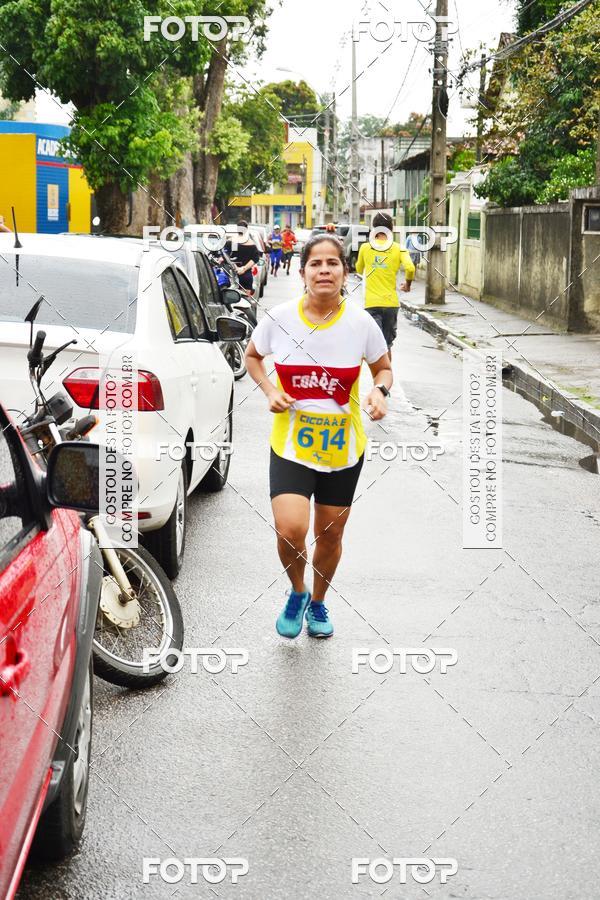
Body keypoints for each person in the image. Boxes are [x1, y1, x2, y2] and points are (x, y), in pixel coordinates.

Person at [245, 234, 392, 639]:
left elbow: (383, 368)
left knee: (329, 535)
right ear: (303, 271)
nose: (324, 270)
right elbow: (252, 357)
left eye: (333, 263)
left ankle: (320, 603)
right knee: (290, 529)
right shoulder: (279, 319)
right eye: (316, 263)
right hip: (291, 444)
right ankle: (298, 591)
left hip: (343, 449)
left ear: (345, 272)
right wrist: (271, 391)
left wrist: (379, 391)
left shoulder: (361, 324)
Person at [356, 212, 415, 356]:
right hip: (391, 304)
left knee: (372, 347)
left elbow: (358, 268)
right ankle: (387, 376)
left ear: (374, 228)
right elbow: (410, 268)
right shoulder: (399, 248)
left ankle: (376, 377)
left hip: (371, 304)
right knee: (387, 345)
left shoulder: (365, 248)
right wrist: (407, 285)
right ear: (391, 229)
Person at [224, 219, 261, 294]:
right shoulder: (251, 244)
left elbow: (228, 256)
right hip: (246, 276)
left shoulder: (233, 242)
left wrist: (236, 268)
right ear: (246, 229)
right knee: (247, 300)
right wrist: (244, 269)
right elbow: (255, 258)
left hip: (232, 275)